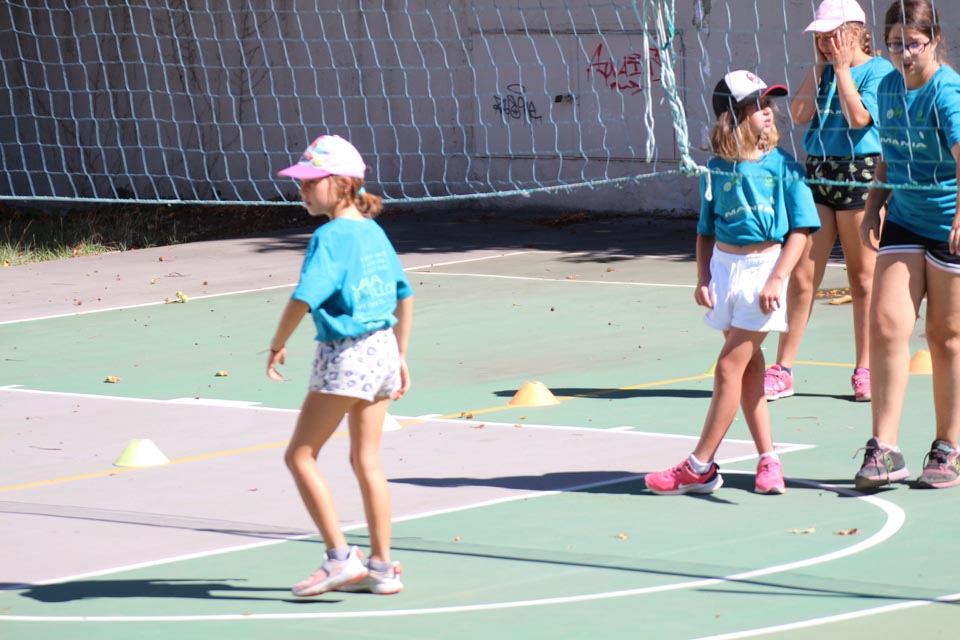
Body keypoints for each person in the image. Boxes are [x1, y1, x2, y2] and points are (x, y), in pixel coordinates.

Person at [645, 70, 820, 496]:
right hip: (725, 272)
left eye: (768, 104)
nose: (768, 111)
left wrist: (778, 278)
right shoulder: (716, 169)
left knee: (728, 367)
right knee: (748, 370)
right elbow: (706, 230)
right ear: (733, 117)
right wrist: (703, 276)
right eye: (756, 105)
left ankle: (699, 466)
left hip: (764, 272)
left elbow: (801, 230)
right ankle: (769, 459)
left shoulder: (784, 166)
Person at [267, 134, 414, 594]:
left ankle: (339, 559)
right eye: (301, 183)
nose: (303, 190)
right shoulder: (373, 232)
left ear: (343, 183)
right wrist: (400, 354)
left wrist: (277, 342)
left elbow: (304, 297)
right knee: (366, 460)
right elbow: (404, 295)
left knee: (300, 455)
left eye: (312, 182)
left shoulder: (328, 237)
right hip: (382, 350)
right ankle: (382, 568)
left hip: (347, 355)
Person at [764, 0, 894, 403]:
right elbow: (800, 114)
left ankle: (865, 369)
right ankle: (783, 369)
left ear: (855, 32)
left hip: (860, 174)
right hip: (820, 172)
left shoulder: (878, 71)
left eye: (831, 34)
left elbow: (859, 119)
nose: (824, 41)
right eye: (819, 35)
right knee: (803, 276)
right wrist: (821, 67)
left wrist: (840, 70)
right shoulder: (821, 69)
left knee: (863, 278)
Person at [854, 0, 960, 490]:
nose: (905, 55)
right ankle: (884, 448)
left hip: (946, 222)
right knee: (886, 323)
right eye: (895, 45)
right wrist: (873, 206)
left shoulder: (947, 92)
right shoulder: (890, 87)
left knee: (945, 336)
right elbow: (889, 156)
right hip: (904, 217)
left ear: (934, 41)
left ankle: (947, 447)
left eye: (913, 44)